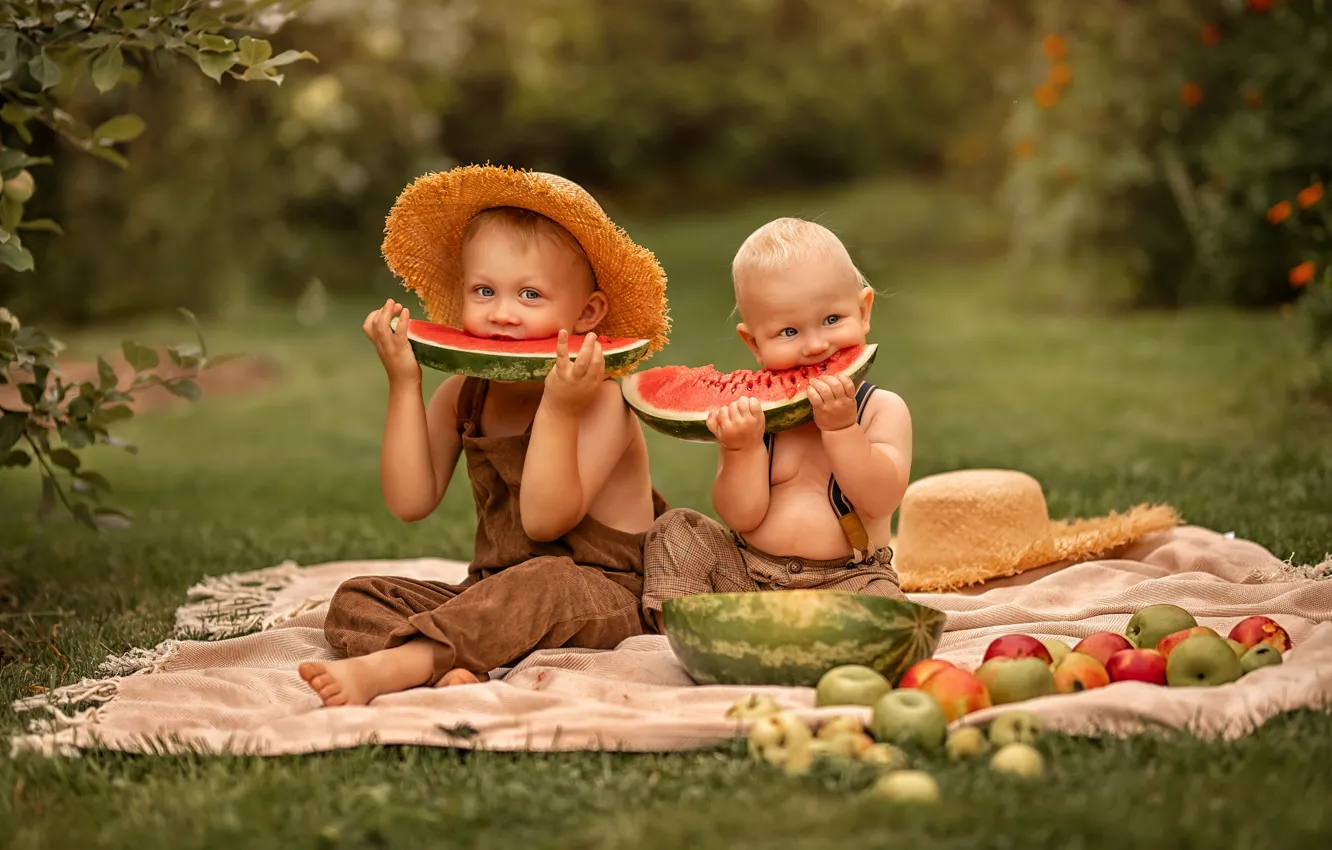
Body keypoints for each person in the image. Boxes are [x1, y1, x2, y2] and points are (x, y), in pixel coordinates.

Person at [300, 166, 670, 706]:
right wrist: (405, 383)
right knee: (357, 598)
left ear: (587, 313)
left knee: (545, 581)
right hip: (492, 592)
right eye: (484, 290)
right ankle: (457, 660)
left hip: (600, 592)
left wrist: (561, 409)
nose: (502, 313)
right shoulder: (464, 394)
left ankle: (402, 664)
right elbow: (410, 502)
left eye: (529, 294)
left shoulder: (600, 400)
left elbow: (545, 520)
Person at [641, 217, 911, 631]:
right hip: (749, 577)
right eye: (788, 331)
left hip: (851, 580)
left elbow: (880, 499)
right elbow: (741, 516)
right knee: (677, 529)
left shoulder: (880, 409)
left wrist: (842, 430)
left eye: (833, 319)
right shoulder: (755, 419)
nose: (816, 344)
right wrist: (741, 450)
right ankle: (684, 635)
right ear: (754, 343)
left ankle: (767, 638)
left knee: (889, 617)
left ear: (864, 310)